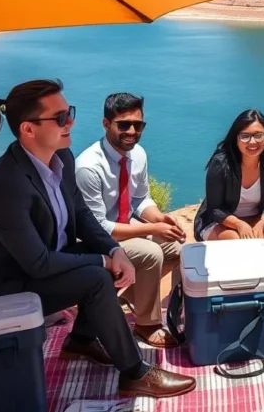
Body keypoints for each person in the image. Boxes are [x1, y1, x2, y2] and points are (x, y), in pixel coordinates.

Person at [0, 79, 194, 398]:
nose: (70, 122)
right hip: (4, 289)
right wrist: (102, 259)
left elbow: (82, 216)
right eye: (59, 118)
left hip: (36, 269)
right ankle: (134, 373)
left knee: (105, 267)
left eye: (69, 112)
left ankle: (80, 341)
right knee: (97, 276)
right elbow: (38, 263)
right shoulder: (6, 185)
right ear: (28, 129)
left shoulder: (61, 159)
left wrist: (113, 250)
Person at [75, 93, 187, 348]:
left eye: (138, 124)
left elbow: (140, 199)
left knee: (177, 250)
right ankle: (147, 325)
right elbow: (97, 228)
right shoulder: (88, 167)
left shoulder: (138, 155)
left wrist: (160, 218)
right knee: (151, 252)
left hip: (123, 229)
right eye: (123, 124)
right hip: (95, 241)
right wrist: (152, 228)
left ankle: (133, 299)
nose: (132, 131)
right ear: (106, 124)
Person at [192, 109, 264, 268]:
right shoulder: (221, 163)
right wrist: (239, 224)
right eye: (245, 136)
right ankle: (242, 285)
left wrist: (263, 222)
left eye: (258, 135)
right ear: (236, 139)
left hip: (257, 218)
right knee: (235, 240)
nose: (252, 142)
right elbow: (214, 209)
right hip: (220, 221)